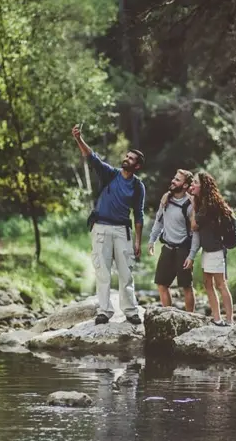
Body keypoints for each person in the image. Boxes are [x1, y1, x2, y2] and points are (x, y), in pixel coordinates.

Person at [71, 124, 146, 325]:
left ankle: (130, 311)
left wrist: (138, 242)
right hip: (101, 228)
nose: (126, 159)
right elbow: (92, 157)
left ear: (137, 166)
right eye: (127, 156)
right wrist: (79, 139)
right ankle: (104, 311)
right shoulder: (110, 174)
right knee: (102, 271)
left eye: (131, 159)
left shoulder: (138, 186)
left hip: (123, 231)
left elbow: (138, 215)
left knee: (126, 273)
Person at [188, 171, 236, 326]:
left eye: (195, 182)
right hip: (208, 250)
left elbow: (194, 225)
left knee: (220, 284)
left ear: (203, 186)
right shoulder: (206, 203)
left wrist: (192, 205)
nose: (193, 185)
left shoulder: (208, 206)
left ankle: (229, 321)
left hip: (216, 250)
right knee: (208, 284)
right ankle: (217, 319)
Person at [147, 169, 200, 313]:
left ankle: (190, 318)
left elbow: (196, 233)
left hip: (183, 250)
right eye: (174, 178)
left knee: (186, 286)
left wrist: (192, 255)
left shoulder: (190, 205)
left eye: (177, 180)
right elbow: (159, 221)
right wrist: (152, 240)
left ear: (184, 185)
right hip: (168, 248)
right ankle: (168, 316)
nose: (173, 181)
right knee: (161, 284)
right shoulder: (166, 200)